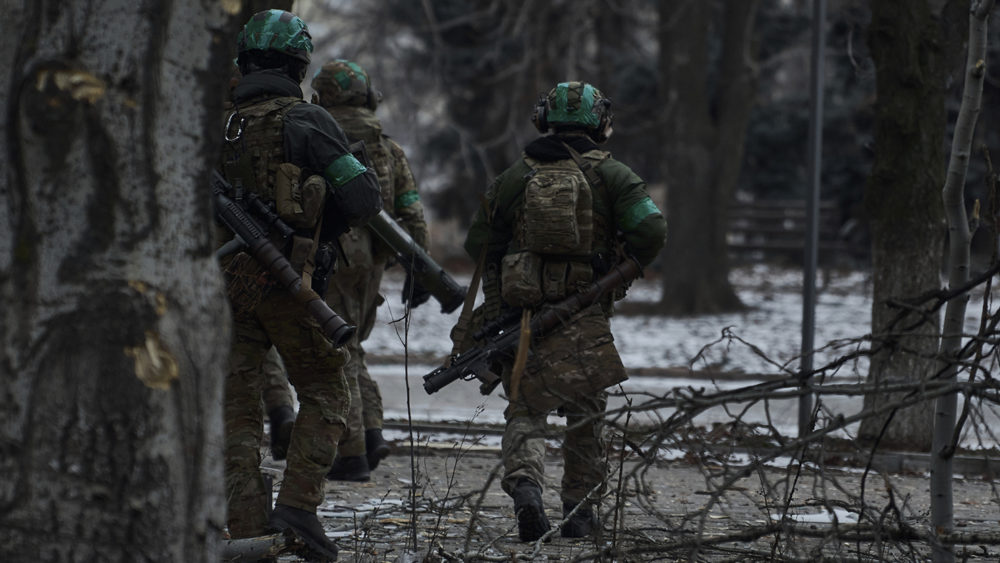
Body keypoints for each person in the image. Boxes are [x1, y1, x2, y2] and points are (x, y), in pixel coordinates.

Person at [462, 81, 666, 541]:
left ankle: (526, 486)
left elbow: (478, 244)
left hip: (522, 315)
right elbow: (652, 230)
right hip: (586, 310)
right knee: (586, 411)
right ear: (600, 123)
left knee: (525, 407)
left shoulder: (516, 176)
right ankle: (580, 511)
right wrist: (618, 264)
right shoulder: (614, 176)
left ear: (543, 120)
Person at [218, 9, 382, 561]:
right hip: (289, 285)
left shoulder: (219, 126)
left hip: (224, 290)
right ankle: (297, 507)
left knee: (235, 411)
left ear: (244, 62)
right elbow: (362, 200)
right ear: (298, 64)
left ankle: (246, 526)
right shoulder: (307, 120)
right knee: (328, 391)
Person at [262, 59, 430, 481]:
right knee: (354, 347)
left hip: (330, 251)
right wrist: (419, 267)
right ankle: (372, 434)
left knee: (338, 353)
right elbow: (412, 212)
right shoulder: (388, 147)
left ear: (322, 95)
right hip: (375, 260)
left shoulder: (314, 131)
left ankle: (350, 453)